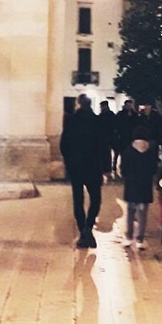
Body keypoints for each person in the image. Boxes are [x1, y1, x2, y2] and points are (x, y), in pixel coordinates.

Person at [60, 94, 105, 249]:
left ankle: (83, 232)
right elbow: (103, 145)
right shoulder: (98, 121)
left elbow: (63, 145)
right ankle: (88, 227)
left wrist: (68, 162)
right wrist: (106, 167)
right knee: (96, 199)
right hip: (94, 166)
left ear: (78, 104)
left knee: (78, 200)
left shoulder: (71, 121)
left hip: (76, 167)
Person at [120, 125, 158, 250]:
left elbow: (124, 168)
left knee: (130, 212)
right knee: (142, 213)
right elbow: (154, 169)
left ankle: (129, 236)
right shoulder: (150, 151)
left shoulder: (128, 150)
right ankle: (140, 239)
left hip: (131, 184)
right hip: (145, 185)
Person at [114, 99, 139, 175]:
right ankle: (120, 167)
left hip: (130, 137)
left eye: (130, 105)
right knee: (122, 153)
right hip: (122, 136)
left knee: (129, 153)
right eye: (127, 105)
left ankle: (127, 167)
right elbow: (118, 124)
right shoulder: (121, 114)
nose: (129, 107)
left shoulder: (134, 115)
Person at [97, 100, 116, 180]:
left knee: (105, 153)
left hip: (105, 137)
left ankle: (106, 168)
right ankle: (108, 168)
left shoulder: (102, 116)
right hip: (108, 137)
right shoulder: (111, 115)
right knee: (107, 154)